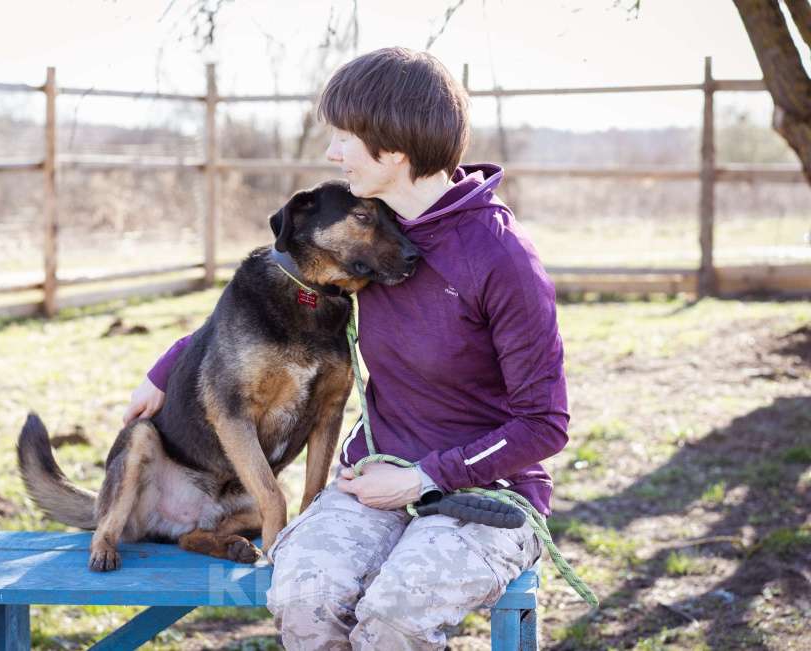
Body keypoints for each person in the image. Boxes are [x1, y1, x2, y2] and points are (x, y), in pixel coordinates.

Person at [123, 47, 568, 650]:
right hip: (372, 480)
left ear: (394, 145)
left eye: (345, 137)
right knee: (303, 594)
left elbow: (545, 424)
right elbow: (268, 303)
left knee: (394, 615)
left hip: (485, 494)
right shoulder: (370, 236)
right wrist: (164, 369)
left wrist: (424, 480)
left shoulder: (501, 258)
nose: (333, 153)